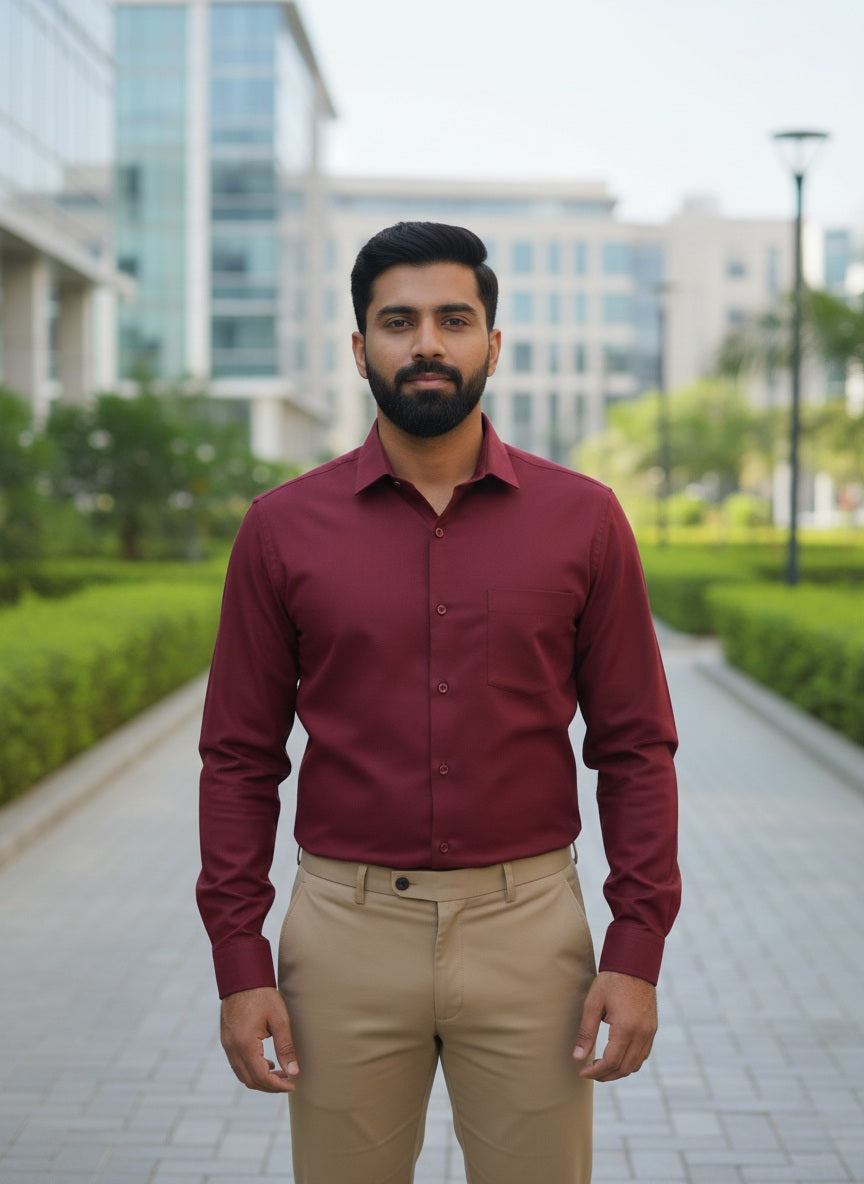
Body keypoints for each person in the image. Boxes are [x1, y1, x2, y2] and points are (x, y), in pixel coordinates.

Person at [197, 221, 680, 1184]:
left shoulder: (584, 519)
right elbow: (239, 758)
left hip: (530, 932)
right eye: (399, 322)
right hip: (343, 937)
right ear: (360, 347)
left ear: (492, 345)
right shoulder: (281, 528)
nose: (427, 343)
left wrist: (635, 949)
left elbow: (635, 747)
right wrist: (239, 961)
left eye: (454, 320)